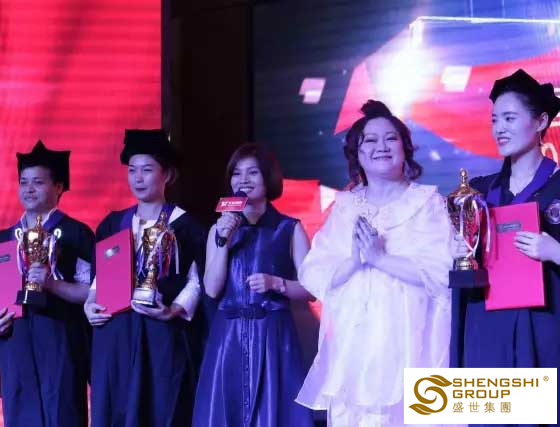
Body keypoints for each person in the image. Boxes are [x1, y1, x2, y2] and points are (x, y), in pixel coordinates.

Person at [296, 101, 453, 426]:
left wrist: (381, 259)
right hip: (355, 347)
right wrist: (354, 261)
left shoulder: (428, 203)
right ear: (358, 153)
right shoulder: (346, 207)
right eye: (370, 140)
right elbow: (313, 272)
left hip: (412, 342)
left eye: (391, 138)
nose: (381, 146)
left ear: (405, 148)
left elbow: (443, 272)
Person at [450, 69, 560, 424]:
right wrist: (457, 251)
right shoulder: (479, 192)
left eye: (510, 118)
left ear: (540, 121)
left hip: (545, 327)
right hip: (487, 328)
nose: (499, 128)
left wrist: (553, 251)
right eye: (495, 119)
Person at [84, 129, 207, 426]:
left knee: (160, 408)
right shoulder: (113, 223)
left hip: (160, 332)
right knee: (116, 407)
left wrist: (173, 310)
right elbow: (98, 279)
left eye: (147, 170)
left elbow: (196, 281)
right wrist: (90, 303)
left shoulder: (186, 226)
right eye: (132, 170)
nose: (138, 178)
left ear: (167, 175)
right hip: (116, 333)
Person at [192, 143, 315, 427]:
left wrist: (277, 283)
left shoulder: (289, 228)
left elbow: (311, 290)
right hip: (229, 336)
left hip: (273, 335)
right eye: (236, 173)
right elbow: (211, 289)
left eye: (252, 172)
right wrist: (223, 241)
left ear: (268, 177)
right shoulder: (218, 229)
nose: (243, 180)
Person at [0, 140, 95, 426]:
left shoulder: (76, 234)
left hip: (59, 340)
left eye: (38, 182)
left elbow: (92, 292)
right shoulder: (2, 241)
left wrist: (52, 284)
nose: (29, 189)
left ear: (58, 187)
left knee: (62, 412)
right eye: (24, 182)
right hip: (16, 343)